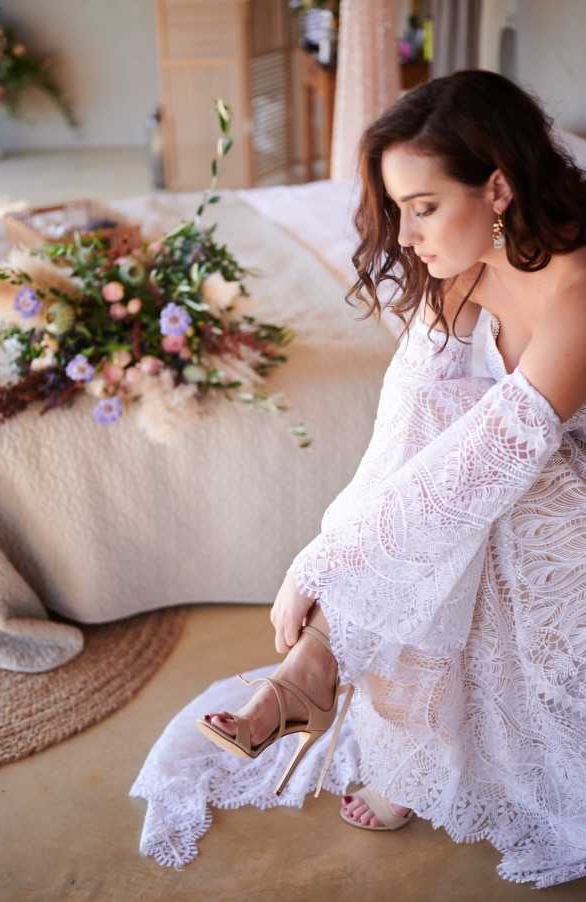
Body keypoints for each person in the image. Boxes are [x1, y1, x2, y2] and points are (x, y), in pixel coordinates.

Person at [197, 70, 586, 888]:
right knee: (436, 426)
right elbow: (400, 441)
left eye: (424, 206)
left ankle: (322, 683)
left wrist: (325, 573)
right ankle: (327, 673)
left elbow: (492, 465)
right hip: (503, 478)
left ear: (501, 187)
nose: (407, 238)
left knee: (496, 487)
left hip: (560, 497)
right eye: (398, 209)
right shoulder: (472, 262)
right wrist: (328, 551)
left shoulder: (578, 297)